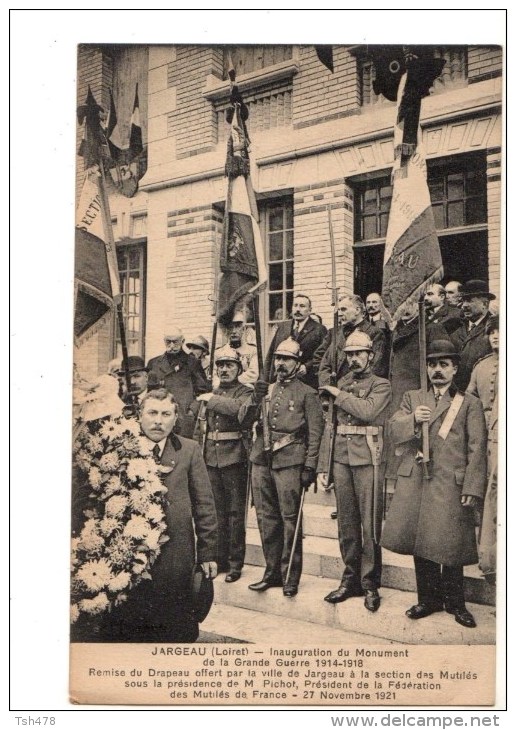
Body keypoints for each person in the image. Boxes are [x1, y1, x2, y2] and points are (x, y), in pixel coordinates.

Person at [71, 388, 218, 642]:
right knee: (129, 623)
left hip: (176, 554)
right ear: (140, 415)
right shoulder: (122, 449)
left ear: (175, 418)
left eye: (165, 414)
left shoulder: (189, 450)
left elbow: (204, 504)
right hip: (129, 553)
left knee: (172, 627)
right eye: (152, 413)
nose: (158, 421)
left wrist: (207, 553)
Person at [381, 340, 487, 628]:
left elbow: (476, 449)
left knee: (451, 543)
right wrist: (414, 420)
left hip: (451, 482)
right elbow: (393, 429)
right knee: (422, 541)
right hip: (418, 480)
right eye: (432, 365)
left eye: (443, 365)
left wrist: (472, 488)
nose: (437, 370)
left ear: (455, 368)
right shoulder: (414, 398)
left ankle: (456, 603)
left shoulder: (469, 404)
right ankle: (428, 599)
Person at [318, 331, 391, 612]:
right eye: (349, 354)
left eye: (359, 353)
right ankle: (350, 580)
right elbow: (331, 427)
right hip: (342, 459)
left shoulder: (381, 384)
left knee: (370, 524)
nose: (354, 359)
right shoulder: (343, 383)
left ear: (370, 356)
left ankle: (370, 583)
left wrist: (337, 393)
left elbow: (368, 411)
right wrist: (326, 466)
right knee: (346, 524)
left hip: (368, 459)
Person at [246, 338, 324, 597]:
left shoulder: (307, 393)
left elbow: (315, 433)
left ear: (297, 363)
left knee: (290, 521)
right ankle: (271, 572)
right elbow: (244, 420)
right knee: (266, 519)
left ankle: (290, 575)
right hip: (262, 459)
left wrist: (310, 466)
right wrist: (255, 398)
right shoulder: (265, 390)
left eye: (286, 359)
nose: (280, 363)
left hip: (291, 460)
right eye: (278, 358)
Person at [196, 346, 254, 583]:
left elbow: (240, 412)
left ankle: (235, 563)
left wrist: (212, 399)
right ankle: (218, 559)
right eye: (220, 365)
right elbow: (201, 425)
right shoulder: (213, 391)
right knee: (216, 512)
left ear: (239, 368)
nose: (224, 369)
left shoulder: (245, 391)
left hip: (235, 458)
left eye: (230, 365)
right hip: (211, 457)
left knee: (235, 513)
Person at [467, 316, 499, 584]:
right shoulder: (481, 367)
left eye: (502, 332)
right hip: (485, 436)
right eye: (492, 333)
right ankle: (487, 558)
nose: (496, 337)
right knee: (485, 495)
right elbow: (470, 400)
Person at [147, 328, 210, 438]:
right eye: (168, 341)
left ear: (182, 341)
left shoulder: (192, 362)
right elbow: (148, 392)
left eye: (175, 341)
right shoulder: (154, 363)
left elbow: (203, 391)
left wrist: (192, 411)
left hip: (183, 418)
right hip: (159, 417)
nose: (171, 345)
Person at [317, 294, 388, 384]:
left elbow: (374, 367)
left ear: (357, 310)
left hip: (357, 390)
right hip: (331, 391)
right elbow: (324, 365)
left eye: (343, 309)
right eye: (338, 310)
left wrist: (343, 385)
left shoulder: (375, 333)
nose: (339, 314)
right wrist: (328, 386)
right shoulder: (335, 333)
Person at [265, 293, 328, 390]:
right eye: (295, 305)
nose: (298, 309)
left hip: (306, 382)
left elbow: (324, 356)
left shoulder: (319, 329)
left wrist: (307, 366)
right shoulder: (283, 327)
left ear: (310, 310)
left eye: (302, 306)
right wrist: (266, 381)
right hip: (281, 381)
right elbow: (271, 354)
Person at [451, 280, 496, 390]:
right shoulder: (455, 328)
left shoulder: (494, 331)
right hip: (454, 394)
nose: (464, 305)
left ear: (485, 304)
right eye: (463, 301)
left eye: (470, 301)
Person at [214, 311, 259, 388]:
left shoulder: (253, 351)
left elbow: (253, 374)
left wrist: (230, 381)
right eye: (230, 327)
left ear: (243, 329)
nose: (234, 331)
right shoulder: (218, 352)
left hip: (245, 392)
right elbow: (215, 377)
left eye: (237, 326)